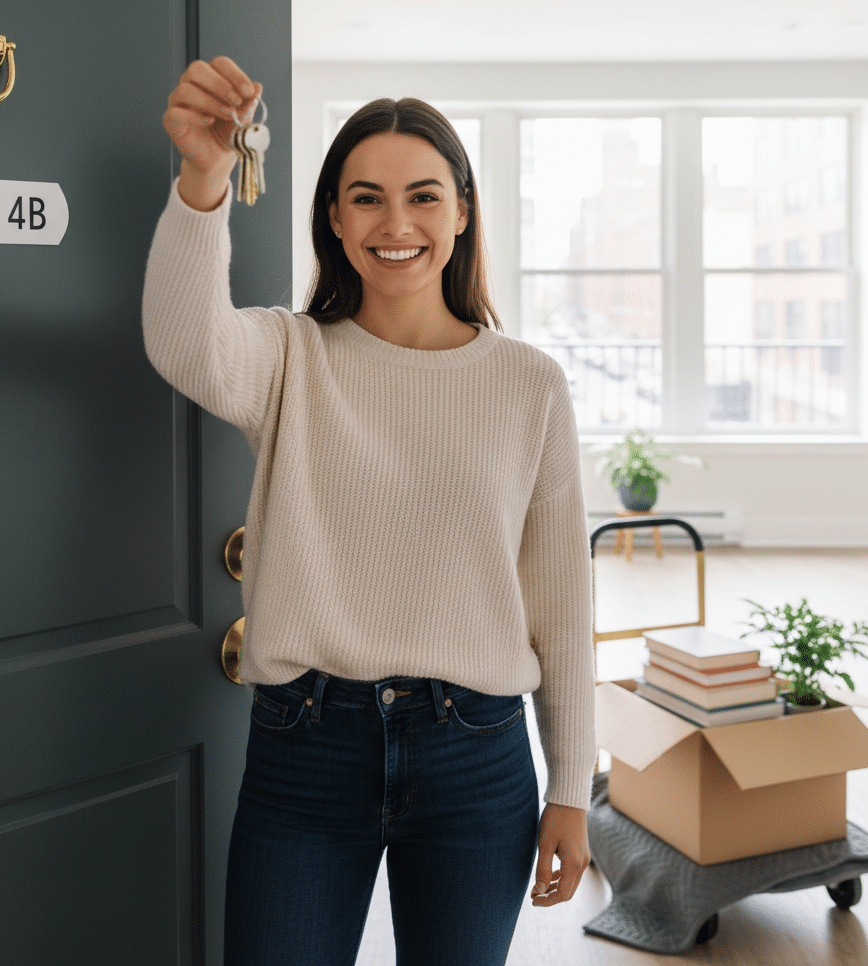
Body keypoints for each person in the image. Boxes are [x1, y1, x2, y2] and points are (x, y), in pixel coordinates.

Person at [144, 56, 597, 966]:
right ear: (334, 221)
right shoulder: (286, 355)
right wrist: (203, 179)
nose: (397, 224)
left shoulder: (529, 385)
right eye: (366, 199)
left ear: (463, 213)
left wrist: (573, 790)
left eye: (425, 197)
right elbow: (186, 343)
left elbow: (562, 604)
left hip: (478, 754)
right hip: (306, 749)